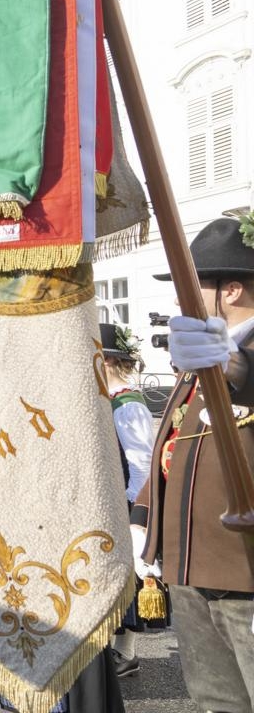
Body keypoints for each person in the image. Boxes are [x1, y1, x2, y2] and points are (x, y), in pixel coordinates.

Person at [133, 216, 254, 712]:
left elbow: (242, 378)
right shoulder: (199, 356)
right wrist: (145, 517)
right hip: (189, 564)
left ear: (230, 289)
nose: (182, 301)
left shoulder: (225, 355)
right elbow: (176, 441)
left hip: (244, 572)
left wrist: (228, 360)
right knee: (216, 702)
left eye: (190, 285)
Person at [98, 323, 162, 678]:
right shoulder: (111, 399)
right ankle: (117, 648)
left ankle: (126, 652)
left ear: (106, 361)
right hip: (112, 497)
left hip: (125, 501)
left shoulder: (128, 404)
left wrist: (132, 510)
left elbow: (141, 463)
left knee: (128, 578)